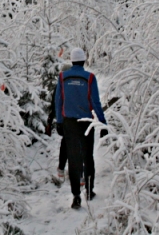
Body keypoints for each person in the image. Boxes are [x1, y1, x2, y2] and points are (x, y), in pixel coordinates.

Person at [55, 47, 108, 209]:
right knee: (88, 157)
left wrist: (59, 121)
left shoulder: (62, 77)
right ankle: (90, 191)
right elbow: (96, 102)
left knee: (73, 158)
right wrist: (103, 123)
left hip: (69, 123)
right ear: (84, 60)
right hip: (86, 122)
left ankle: (76, 196)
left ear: (71, 60)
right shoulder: (90, 78)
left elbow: (59, 101)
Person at [45, 63, 85, 186]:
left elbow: (55, 105)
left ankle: (62, 169)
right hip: (71, 121)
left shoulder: (60, 86)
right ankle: (78, 174)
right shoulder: (73, 86)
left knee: (67, 143)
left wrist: (54, 120)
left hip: (65, 122)